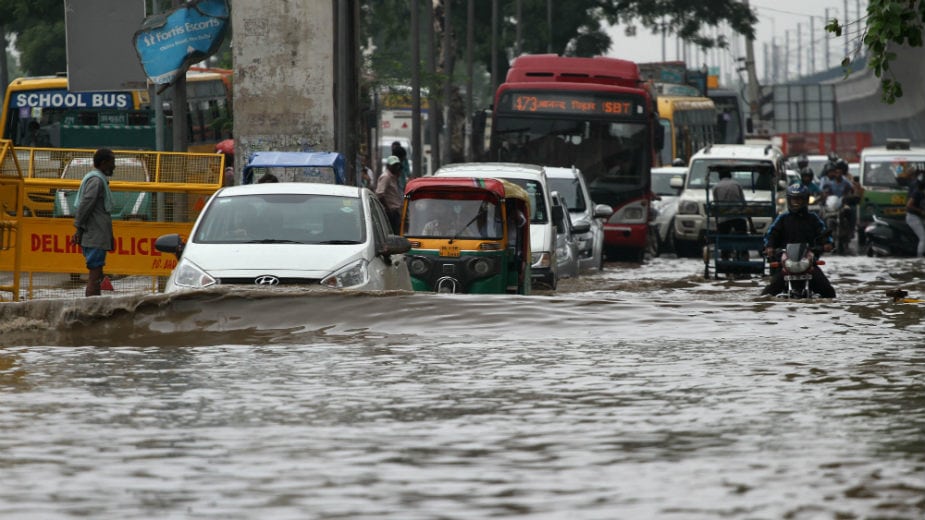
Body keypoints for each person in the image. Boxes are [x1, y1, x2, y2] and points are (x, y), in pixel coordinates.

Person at [760, 184, 836, 298]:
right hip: (787, 263)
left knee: (829, 293)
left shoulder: (813, 218)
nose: (796, 202)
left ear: (805, 200)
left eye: (799, 199)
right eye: (793, 199)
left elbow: (823, 232)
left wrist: (827, 244)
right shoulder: (782, 218)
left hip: (808, 263)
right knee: (765, 295)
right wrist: (769, 247)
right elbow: (771, 234)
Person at [71, 148, 116, 297]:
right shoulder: (96, 181)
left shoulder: (97, 179)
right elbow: (86, 205)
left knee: (97, 275)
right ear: (103, 163)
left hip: (97, 235)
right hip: (95, 236)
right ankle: (90, 310)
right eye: (112, 163)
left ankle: (94, 307)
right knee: (95, 275)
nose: (114, 166)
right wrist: (78, 228)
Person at [712, 168, 747, 260]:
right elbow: (743, 203)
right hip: (738, 218)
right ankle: (744, 255)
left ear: (720, 176)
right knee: (742, 236)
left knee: (724, 239)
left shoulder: (716, 187)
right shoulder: (736, 184)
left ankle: (725, 257)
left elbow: (716, 205)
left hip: (723, 220)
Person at [377, 156, 403, 233]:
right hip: (391, 212)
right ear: (388, 166)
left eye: (397, 165)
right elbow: (380, 194)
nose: (396, 167)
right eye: (394, 165)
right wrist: (388, 209)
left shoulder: (394, 177)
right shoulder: (386, 177)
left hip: (396, 211)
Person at [905, 172, 925, 257]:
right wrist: (920, 211)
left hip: (919, 217)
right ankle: (919, 258)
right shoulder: (917, 193)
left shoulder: (922, 193)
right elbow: (908, 205)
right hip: (912, 217)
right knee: (923, 238)